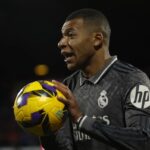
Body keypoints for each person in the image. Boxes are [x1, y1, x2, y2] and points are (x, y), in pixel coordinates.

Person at [40, 8, 150, 150]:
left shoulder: (132, 80)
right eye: (62, 36)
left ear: (97, 39)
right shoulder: (68, 86)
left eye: (70, 35)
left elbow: (143, 140)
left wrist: (81, 120)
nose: (61, 43)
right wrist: (45, 131)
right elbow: (65, 147)